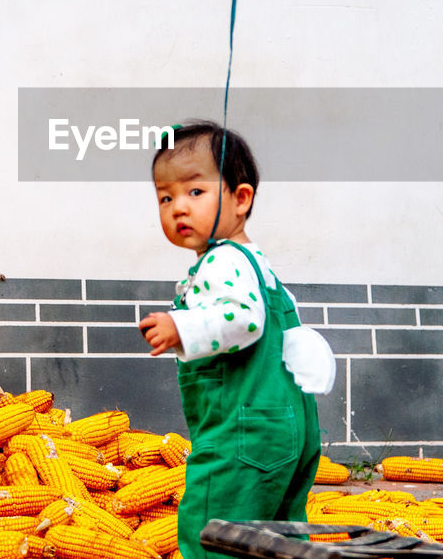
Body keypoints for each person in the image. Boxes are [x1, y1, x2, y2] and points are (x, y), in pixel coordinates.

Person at [139, 121, 321, 559]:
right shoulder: (259, 266)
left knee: (213, 532)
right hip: (289, 432)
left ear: (241, 199)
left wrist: (182, 326)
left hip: (242, 435)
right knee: (277, 542)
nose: (178, 208)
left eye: (195, 192)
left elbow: (244, 320)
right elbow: (291, 337)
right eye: (166, 197)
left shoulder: (221, 262)